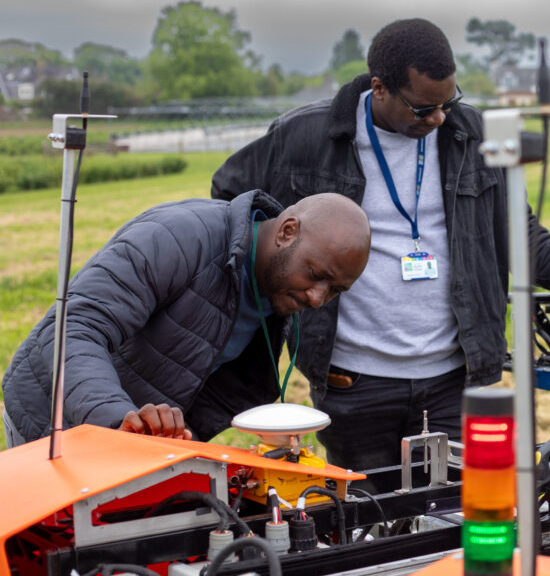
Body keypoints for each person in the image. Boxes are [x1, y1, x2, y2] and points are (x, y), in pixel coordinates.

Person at [211, 18, 550, 469]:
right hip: (354, 383)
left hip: (454, 381)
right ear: (379, 88)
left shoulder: (472, 135)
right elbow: (231, 200)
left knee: (462, 518)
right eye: (423, 109)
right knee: (370, 523)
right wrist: (273, 288)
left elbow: (521, 235)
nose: (439, 118)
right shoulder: (304, 136)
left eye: (448, 102)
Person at [2, 191, 371, 447]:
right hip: (51, 422)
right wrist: (120, 418)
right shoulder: (178, 237)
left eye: (335, 290)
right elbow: (72, 329)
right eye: (317, 275)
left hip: (133, 441)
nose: (317, 297)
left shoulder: (279, 285)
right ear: (287, 232)